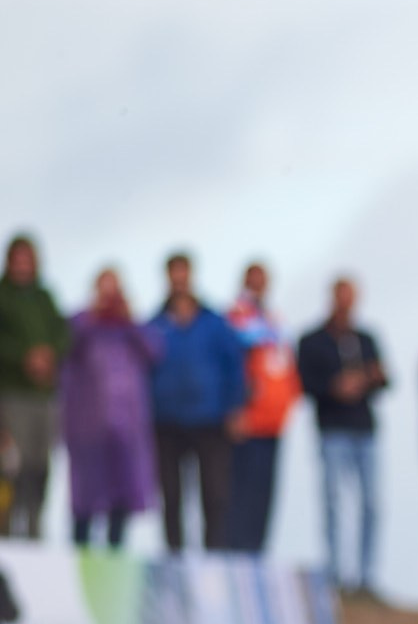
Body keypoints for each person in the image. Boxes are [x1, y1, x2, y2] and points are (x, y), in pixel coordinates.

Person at [147, 252, 246, 552]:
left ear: (191, 276)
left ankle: (213, 556)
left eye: (183, 273)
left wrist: (236, 408)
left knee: (214, 495)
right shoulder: (153, 324)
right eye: (173, 273)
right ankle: (174, 557)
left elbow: (234, 366)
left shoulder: (214, 323)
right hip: (166, 423)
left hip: (210, 421)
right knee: (171, 496)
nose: (179, 279)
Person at [296, 275, 389, 592]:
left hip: (365, 430)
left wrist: (362, 380)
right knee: (334, 501)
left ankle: (366, 578)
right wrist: (335, 387)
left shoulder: (366, 338)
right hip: (332, 430)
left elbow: (384, 378)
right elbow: (305, 383)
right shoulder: (312, 340)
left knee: (371, 503)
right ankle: (335, 574)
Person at [59, 267, 158, 548]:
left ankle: (116, 554)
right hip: (87, 426)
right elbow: (64, 347)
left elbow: (155, 352)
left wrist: (130, 321)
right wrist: (92, 317)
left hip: (126, 428)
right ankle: (79, 552)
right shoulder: (81, 324)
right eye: (104, 287)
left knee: (121, 495)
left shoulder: (132, 329)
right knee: (86, 496)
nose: (109, 295)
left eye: (114, 288)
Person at [223, 261, 299, 553]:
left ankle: (256, 553)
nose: (259, 285)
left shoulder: (274, 320)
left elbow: (285, 366)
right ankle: (235, 553)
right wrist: (235, 408)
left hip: (273, 423)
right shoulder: (236, 317)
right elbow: (232, 365)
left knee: (264, 494)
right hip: (246, 421)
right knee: (239, 492)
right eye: (253, 279)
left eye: (263, 279)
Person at [0, 234, 69, 538]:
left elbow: (63, 333)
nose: (23, 265)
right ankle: (9, 530)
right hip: (12, 394)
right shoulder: (3, 296)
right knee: (13, 465)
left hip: (44, 397)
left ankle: (34, 528)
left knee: (40, 466)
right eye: (18, 259)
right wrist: (24, 358)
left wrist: (49, 354)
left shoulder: (45, 297)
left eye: (28, 259)